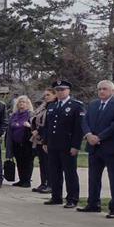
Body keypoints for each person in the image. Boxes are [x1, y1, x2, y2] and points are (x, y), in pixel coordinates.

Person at [40, 80, 85, 208]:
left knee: (70, 173)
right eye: (57, 90)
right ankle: (56, 197)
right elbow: (48, 126)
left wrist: (76, 145)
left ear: (68, 90)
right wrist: (45, 141)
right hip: (53, 144)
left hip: (67, 145)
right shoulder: (52, 106)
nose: (60, 92)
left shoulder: (76, 106)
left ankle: (72, 198)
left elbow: (78, 128)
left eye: (62, 90)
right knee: (54, 172)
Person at [80, 80, 114, 217]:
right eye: (99, 89)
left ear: (112, 91)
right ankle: (93, 204)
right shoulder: (93, 104)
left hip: (112, 148)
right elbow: (85, 121)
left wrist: (99, 137)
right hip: (94, 147)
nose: (101, 91)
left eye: (105, 89)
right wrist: (88, 135)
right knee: (93, 177)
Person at [30, 89, 56, 193]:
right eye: (44, 95)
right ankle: (43, 183)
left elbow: (49, 123)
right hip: (38, 138)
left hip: (48, 137)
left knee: (49, 162)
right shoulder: (43, 106)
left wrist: (39, 130)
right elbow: (33, 118)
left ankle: (50, 184)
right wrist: (33, 129)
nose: (45, 97)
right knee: (42, 162)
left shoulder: (54, 106)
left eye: (48, 95)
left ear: (54, 95)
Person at [6, 96, 34, 187]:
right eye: (20, 102)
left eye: (24, 102)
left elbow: (36, 127)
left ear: (28, 104)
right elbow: (9, 127)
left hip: (27, 143)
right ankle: (21, 180)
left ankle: (27, 181)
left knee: (27, 162)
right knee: (19, 161)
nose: (21, 104)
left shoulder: (31, 115)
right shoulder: (14, 115)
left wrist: (29, 126)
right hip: (15, 142)